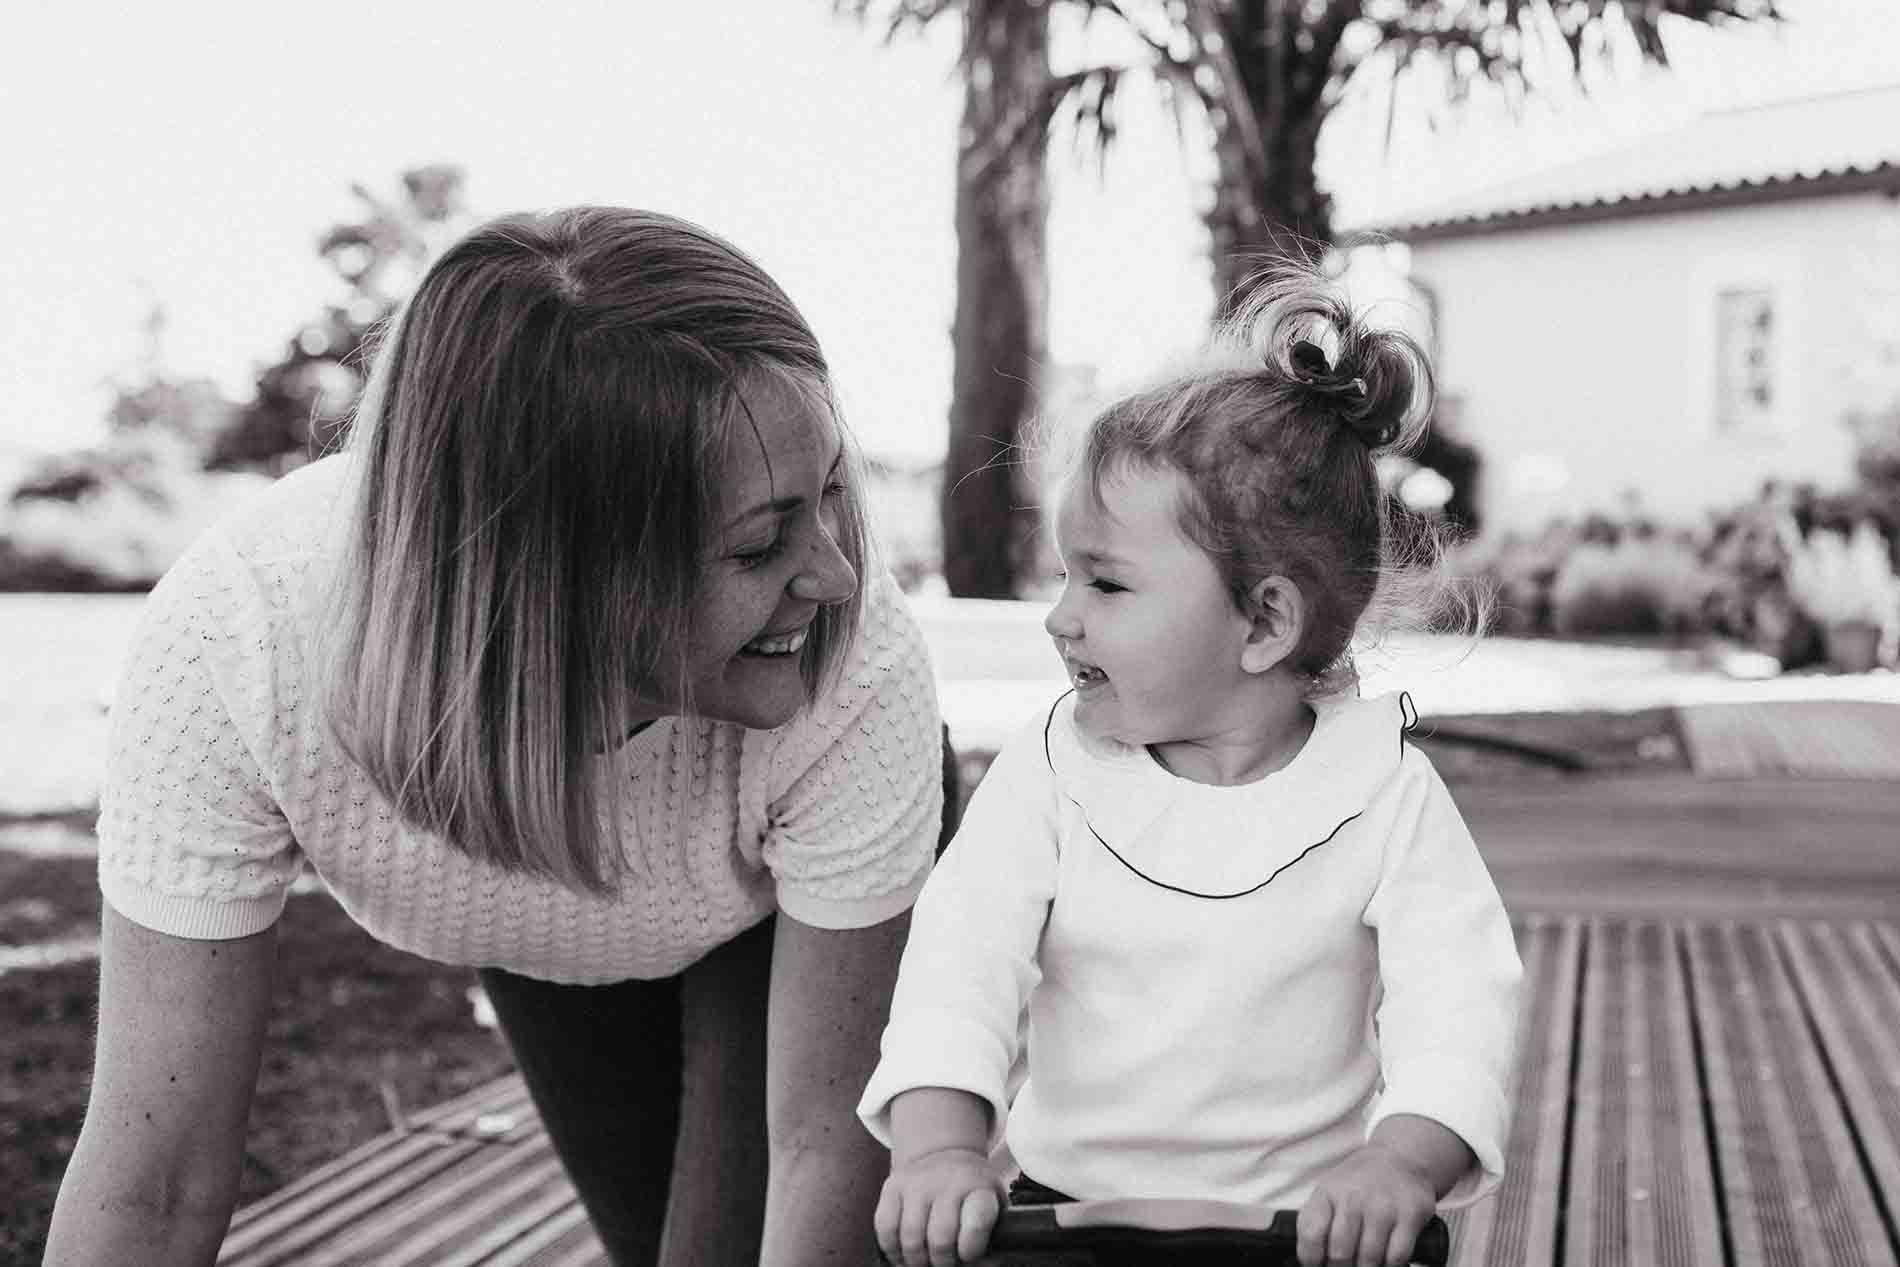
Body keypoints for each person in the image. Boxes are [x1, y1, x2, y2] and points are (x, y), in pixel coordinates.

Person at [45, 207, 947, 1267]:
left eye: (832, 490)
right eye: (759, 545)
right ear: (562, 579)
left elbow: (819, 1145)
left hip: (781, 910)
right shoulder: (239, 640)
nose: (836, 573)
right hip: (547, 914)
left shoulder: (853, 658)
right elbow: (156, 1178)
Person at [859, 269, 1522, 1267]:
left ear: (1262, 622)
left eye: (1106, 582)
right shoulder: (1052, 773)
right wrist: (939, 1147)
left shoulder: (1381, 793)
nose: (1061, 616)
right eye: (1063, 575)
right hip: (1061, 1219)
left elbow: (1459, 999)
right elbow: (961, 963)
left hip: (1306, 1231)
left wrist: (1400, 1160)